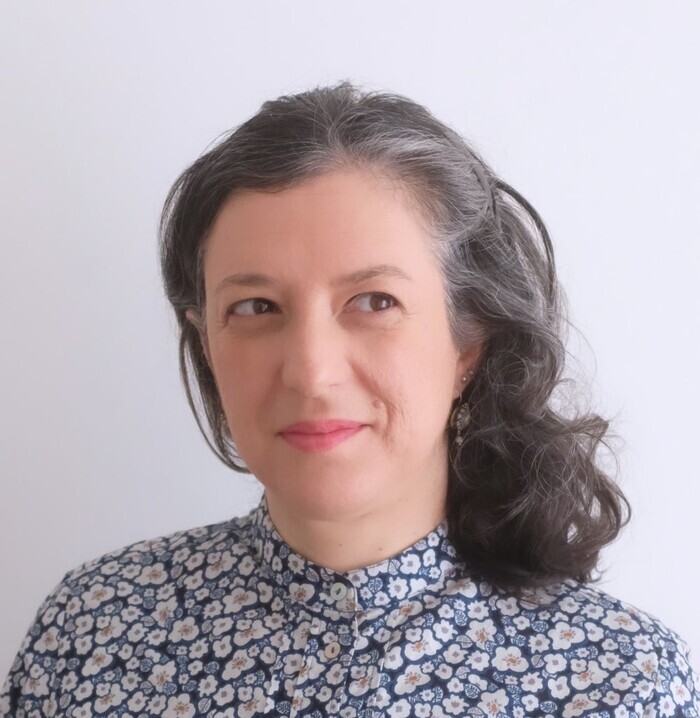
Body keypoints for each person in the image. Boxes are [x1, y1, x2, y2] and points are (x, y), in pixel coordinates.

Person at [2, 80, 698, 718]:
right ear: (206, 342)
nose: (312, 372)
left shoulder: (620, 685)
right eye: (256, 307)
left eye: (373, 301)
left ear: (468, 343)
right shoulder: (92, 633)